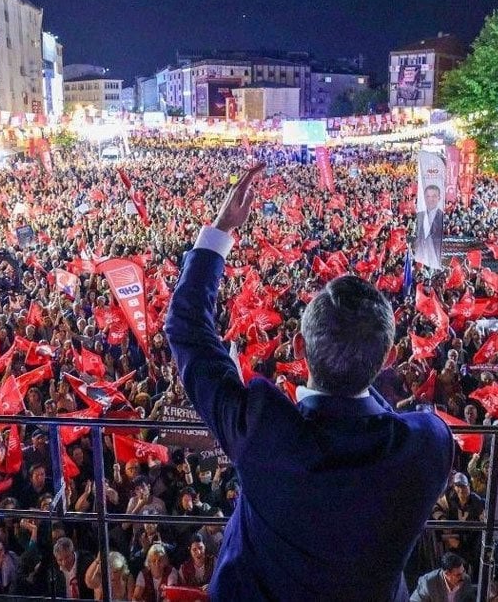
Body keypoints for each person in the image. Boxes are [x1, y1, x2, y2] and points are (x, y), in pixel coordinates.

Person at [165, 163, 453, 601]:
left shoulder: (264, 430)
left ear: (299, 348)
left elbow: (186, 329)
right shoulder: (427, 445)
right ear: (389, 358)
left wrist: (220, 231)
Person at [412, 552, 477, 602]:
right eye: (458, 575)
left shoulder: (466, 580)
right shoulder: (429, 583)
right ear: (446, 574)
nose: (463, 577)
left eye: (464, 571)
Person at [414, 183, 446, 269]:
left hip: (434, 256)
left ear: (439, 198)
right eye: (428, 196)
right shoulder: (420, 215)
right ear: (424, 198)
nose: (430, 199)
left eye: (434, 196)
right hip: (421, 255)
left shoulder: (443, 216)